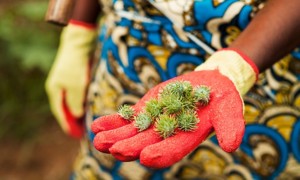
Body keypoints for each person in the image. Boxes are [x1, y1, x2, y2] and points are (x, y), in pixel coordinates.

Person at [45, 0, 300, 179]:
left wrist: (234, 67)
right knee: (122, 146)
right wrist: (79, 30)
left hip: (265, 57)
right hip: (128, 52)